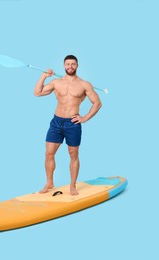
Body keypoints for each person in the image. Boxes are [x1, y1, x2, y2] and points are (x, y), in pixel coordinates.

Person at [34, 55, 102, 196]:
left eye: (73, 64)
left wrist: (85, 118)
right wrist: (43, 76)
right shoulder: (56, 82)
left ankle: (72, 185)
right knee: (48, 154)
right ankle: (49, 182)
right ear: (64, 66)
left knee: (73, 155)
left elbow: (97, 103)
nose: (70, 66)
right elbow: (37, 92)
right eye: (67, 64)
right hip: (56, 122)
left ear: (77, 66)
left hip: (72, 124)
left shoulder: (84, 85)